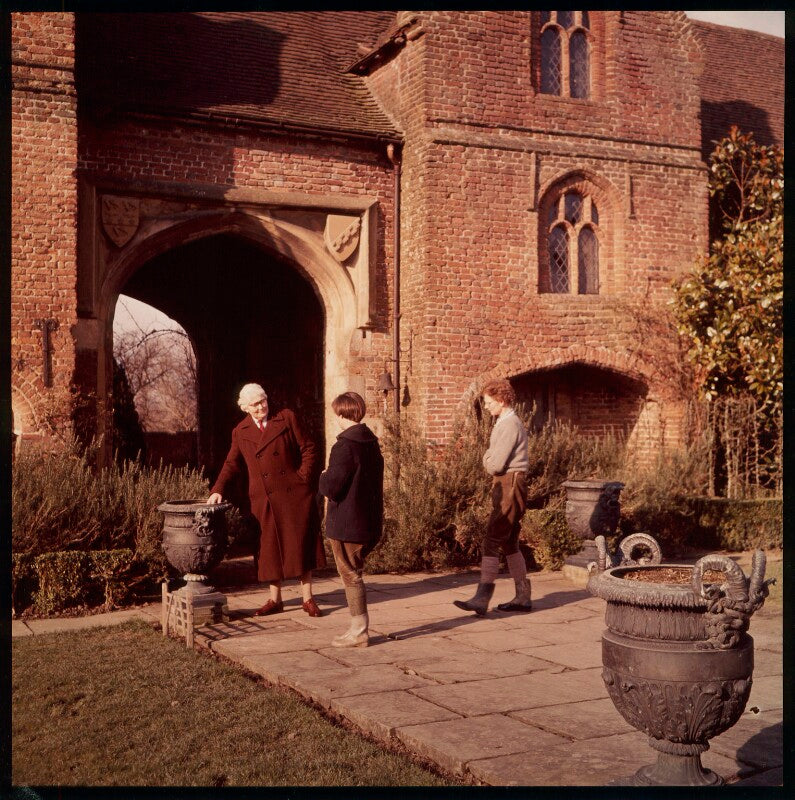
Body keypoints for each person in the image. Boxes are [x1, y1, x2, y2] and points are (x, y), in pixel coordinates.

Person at [207, 383, 325, 616]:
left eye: (263, 401)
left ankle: (308, 598)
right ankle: (275, 600)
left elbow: (309, 448)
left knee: (300, 544)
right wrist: (217, 489)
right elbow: (232, 463)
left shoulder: (286, 418)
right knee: (269, 549)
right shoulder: (240, 431)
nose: (261, 407)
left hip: (294, 495)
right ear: (245, 408)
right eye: (255, 404)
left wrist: (302, 478)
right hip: (264, 499)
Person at [454, 378, 532, 615]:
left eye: (489, 402)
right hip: (510, 482)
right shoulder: (506, 422)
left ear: (501, 400)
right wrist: (490, 456)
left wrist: (486, 457)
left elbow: (495, 464)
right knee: (509, 541)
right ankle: (522, 597)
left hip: (509, 482)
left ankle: (482, 597)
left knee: (492, 539)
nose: (486, 406)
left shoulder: (509, 425)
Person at [319, 391, 384, 648]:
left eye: (336, 413)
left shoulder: (344, 446)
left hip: (347, 524)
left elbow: (332, 488)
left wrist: (323, 476)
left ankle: (359, 631)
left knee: (351, 576)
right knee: (354, 573)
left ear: (342, 414)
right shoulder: (371, 443)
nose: (335, 418)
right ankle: (357, 629)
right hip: (368, 522)